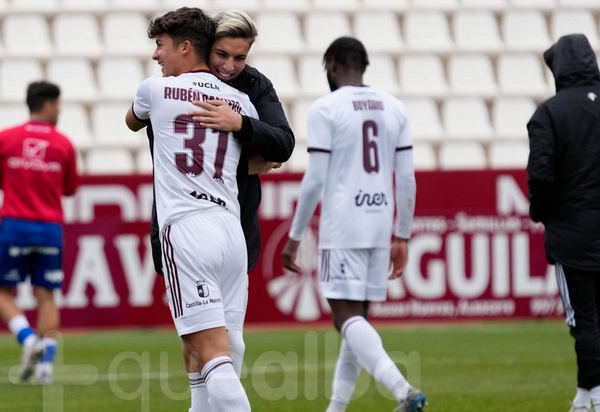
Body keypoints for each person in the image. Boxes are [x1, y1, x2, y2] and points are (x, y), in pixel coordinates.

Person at [147, 8, 295, 384]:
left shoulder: (253, 87)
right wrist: (243, 163)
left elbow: (283, 144)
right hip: (185, 219)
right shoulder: (171, 87)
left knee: (227, 342)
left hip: (234, 220)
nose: (230, 66)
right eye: (222, 55)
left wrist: (240, 124)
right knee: (199, 340)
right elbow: (170, 155)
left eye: (240, 57)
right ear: (202, 48)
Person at [280, 37, 425, 412]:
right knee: (356, 323)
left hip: (343, 225)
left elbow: (314, 180)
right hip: (380, 223)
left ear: (331, 65)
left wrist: (295, 237)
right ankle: (337, 408)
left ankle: (403, 389)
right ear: (364, 65)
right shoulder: (395, 108)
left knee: (344, 317)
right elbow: (407, 179)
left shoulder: (326, 108)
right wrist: (403, 235)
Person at [126, 7, 258, 411]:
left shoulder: (155, 90)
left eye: (160, 45)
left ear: (185, 46)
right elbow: (265, 157)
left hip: (186, 229)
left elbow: (132, 122)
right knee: (223, 347)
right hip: (231, 230)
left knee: (213, 352)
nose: (155, 56)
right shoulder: (239, 102)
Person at [527, 34, 600, 412]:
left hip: (572, 234)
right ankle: (583, 397)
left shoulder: (549, 114)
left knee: (583, 319)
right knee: (593, 310)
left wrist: (542, 212)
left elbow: (541, 177)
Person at [0, 81, 79, 385]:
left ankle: (28, 340)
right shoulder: (63, 143)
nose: (60, 110)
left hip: (14, 224)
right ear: (49, 104)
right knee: (46, 296)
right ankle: (45, 369)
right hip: (49, 228)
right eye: (58, 104)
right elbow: (69, 189)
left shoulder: (5, 138)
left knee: (0, 291)